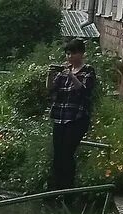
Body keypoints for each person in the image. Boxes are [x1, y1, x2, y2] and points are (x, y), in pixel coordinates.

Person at [47, 39, 96, 190]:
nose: (69, 57)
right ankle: (55, 188)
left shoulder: (88, 70)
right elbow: (50, 90)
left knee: (67, 153)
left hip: (76, 118)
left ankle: (68, 188)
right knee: (58, 154)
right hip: (60, 117)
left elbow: (83, 90)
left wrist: (71, 75)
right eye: (68, 54)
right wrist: (49, 76)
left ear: (81, 54)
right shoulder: (64, 71)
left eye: (73, 53)